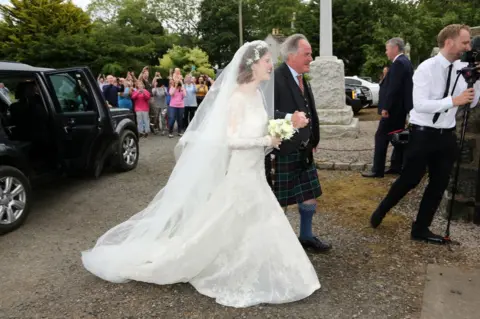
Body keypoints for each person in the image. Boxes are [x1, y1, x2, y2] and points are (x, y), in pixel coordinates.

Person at [81, 41, 320, 308]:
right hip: (242, 172)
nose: (269, 66)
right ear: (253, 64)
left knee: (250, 218)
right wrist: (266, 140)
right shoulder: (237, 98)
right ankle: (205, 262)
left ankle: (264, 267)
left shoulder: (256, 95)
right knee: (233, 217)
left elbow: (264, 125)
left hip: (254, 172)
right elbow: (230, 141)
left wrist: (287, 124)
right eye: (266, 61)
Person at [369, 24, 480, 244]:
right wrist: (452, 101)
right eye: (465, 42)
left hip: (447, 135)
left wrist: (476, 80)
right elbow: (419, 105)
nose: (468, 47)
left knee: (438, 184)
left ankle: (420, 228)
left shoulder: (463, 68)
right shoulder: (426, 68)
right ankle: (381, 210)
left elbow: (473, 101)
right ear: (450, 42)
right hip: (422, 135)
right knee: (409, 180)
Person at [265, 34, 331, 253]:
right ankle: (277, 244)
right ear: (292, 55)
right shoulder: (276, 78)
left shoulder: (302, 77)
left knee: (309, 196)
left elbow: (310, 110)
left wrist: (314, 139)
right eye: (307, 54)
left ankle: (306, 236)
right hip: (283, 150)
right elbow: (265, 115)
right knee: (279, 201)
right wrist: (289, 119)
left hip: (304, 150)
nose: (311, 58)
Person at [362, 38, 413, 178]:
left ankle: (377, 170)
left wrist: (386, 107)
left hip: (393, 110)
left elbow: (394, 88)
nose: (386, 52)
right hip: (400, 109)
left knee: (381, 137)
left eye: (387, 49)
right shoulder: (405, 62)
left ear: (395, 48)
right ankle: (397, 166)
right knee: (397, 137)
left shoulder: (398, 63)